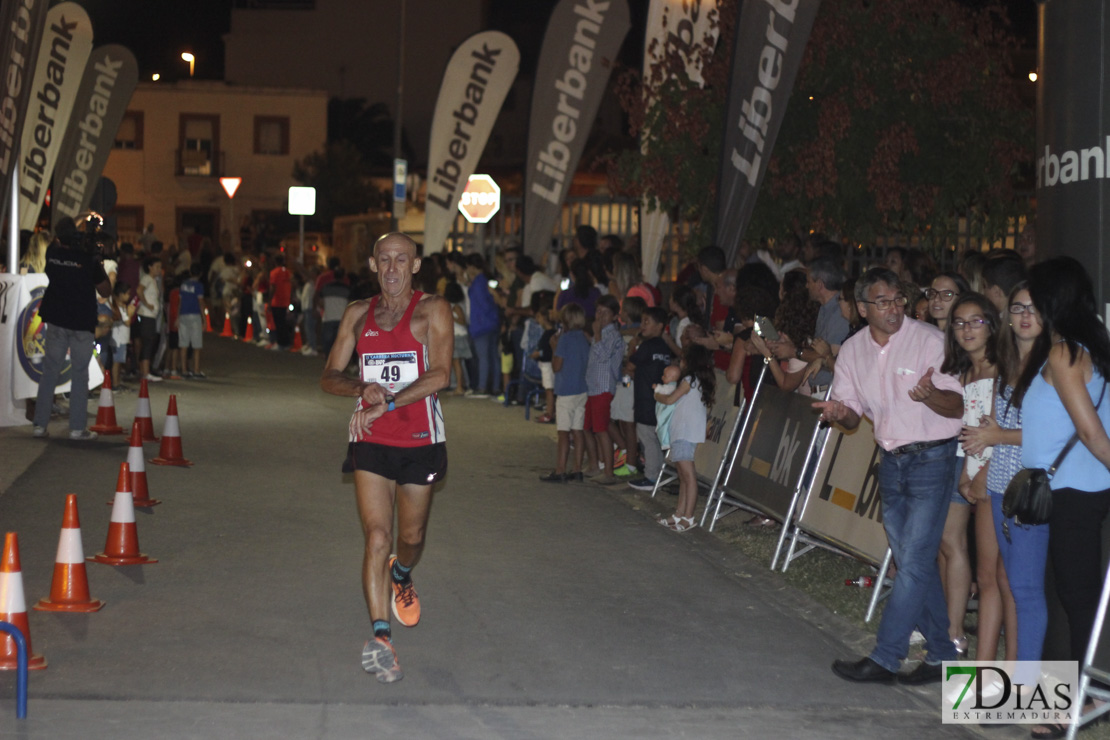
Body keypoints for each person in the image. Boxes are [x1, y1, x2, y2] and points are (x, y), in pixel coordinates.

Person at [815, 267, 964, 685]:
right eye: (883, 302)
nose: (894, 308)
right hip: (891, 461)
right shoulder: (852, 350)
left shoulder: (931, 341)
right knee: (913, 563)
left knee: (913, 563)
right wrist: (841, 414)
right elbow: (849, 414)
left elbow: (959, 406)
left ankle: (886, 656)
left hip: (935, 459)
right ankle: (940, 654)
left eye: (898, 299)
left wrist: (932, 395)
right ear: (862, 308)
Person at [319, 232, 452, 685]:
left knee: (409, 537)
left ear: (416, 266)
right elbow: (329, 376)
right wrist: (362, 389)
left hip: (419, 439)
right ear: (373, 265)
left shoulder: (433, 310)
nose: (392, 268)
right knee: (377, 535)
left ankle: (403, 571)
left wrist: (389, 401)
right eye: (384, 260)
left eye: (402, 260)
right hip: (372, 439)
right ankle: (381, 637)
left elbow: (440, 374)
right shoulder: (357, 314)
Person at [1010, 257, 1110, 738]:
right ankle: (1062, 696)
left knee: (1077, 596)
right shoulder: (1083, 347)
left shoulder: (1066, 353)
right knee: (1065, 594)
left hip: (1075, 490)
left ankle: (1079, 698)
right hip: (1070, 490)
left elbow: (1091, 433)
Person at [960, 281, 1044, 702]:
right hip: (996, 483)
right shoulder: (1009, 362)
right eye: (1017, 308)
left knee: (1017, 587)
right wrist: (977, 469)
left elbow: (1044, 435)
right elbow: (989, 427)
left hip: (1026, 490)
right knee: (990, 579)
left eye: (1033, 308)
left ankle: (1014, 684)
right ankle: (985, 679)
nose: (1025, 316)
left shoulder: (1054, 364)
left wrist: (992, 446)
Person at [939, 293, 1008, 664]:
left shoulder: (1002, 369)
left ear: (991, 325)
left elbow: (1001, 429)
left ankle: (992, 659)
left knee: (993, 570)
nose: (966, 329)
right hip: (964, 463)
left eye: (975, 321)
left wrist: (979, 475)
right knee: (950, 543)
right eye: (960, 323)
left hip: (995, 470)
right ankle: (953, 631)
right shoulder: (962, 370)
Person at [32, 218, 111, 439]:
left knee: (50, 372)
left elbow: (54, 267)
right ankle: (77, 428)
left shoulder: (52, 253)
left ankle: (39, 425)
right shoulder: (86, 258)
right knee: (79, 373)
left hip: (56, 319)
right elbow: (105, 290)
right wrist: (97, 263)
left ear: (58, 237)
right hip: (81, 322)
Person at [654, 343, 715, 532]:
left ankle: (688, 517)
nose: (680, 362)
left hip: (684, 432)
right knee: (683, 475)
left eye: (683, 359)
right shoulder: (698, 381)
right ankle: (679, 514)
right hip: (685, 431)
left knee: (688, 476)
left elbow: (671, 399)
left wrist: (658, 395)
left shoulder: (689, 379)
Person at [539, 303, 590, 482]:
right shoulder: (584, 338)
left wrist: (554, 348)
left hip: (566, 390)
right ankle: (577, 469)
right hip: (582, 389)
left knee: (563, 432)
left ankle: (560, 469)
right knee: (578, 430)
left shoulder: (565, 339)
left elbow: (556, 366)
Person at [626, 306, 675, 491]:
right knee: (654, 438)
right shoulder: (663, 347)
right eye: (642, 321)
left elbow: (631, 366)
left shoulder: (646, 346)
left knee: (648, 438)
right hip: (659, 400)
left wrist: (633, 346)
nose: (642, 325)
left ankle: (652, 477)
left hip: (646, 399)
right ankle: (658, 473)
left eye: (647, 322)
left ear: (660, 326)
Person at [584, 295, 624, 485]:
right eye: (598, 311)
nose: (600, 316)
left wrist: (597, 334)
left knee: (601, 429)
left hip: (603, 386)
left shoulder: (612, 335)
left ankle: (608, 471)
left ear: (615, 316)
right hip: (593, 386)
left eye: (605, 313)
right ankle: (595, 465)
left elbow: (603, 356)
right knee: (588, 428)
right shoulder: (601, 333)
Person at [135, 256, 164, 382]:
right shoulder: (147, 278)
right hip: (147, 315)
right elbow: (139, 290)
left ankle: (143, 371)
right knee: (147, 343)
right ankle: (145, 373)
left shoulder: (153, 280)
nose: (159, 269)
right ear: (150, 267)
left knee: (147, 342)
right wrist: (147, 304)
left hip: (150, 315)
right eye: (157, 266)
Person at [178, 264, 207, 378]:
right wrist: (204, 319)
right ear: (200, 274)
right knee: (197, 345)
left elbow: (179, 301)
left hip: (183, 315)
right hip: (194, 315)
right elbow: (200, 302)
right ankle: (196, 370)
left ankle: (184, 370)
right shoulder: (199, 286)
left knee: (184, 344)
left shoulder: (184, 284)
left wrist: (177, 316)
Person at [445, 281, 470, 394]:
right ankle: (461, 385)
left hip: (458, 337)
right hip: (454, 336)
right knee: (456, 362)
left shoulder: (456, 307)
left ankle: (459, 387)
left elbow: (463, 321)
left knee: (456, 362)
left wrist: (451, 316)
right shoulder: (452, 305)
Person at [268, 253, 293, 350]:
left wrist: (269, 301)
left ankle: (280, 343)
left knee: (278, 323)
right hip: (285, 301)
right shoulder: (287, 272)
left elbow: (273, 287)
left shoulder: (274, 272)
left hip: (277, 301)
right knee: (284, 323)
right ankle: (286, 343)